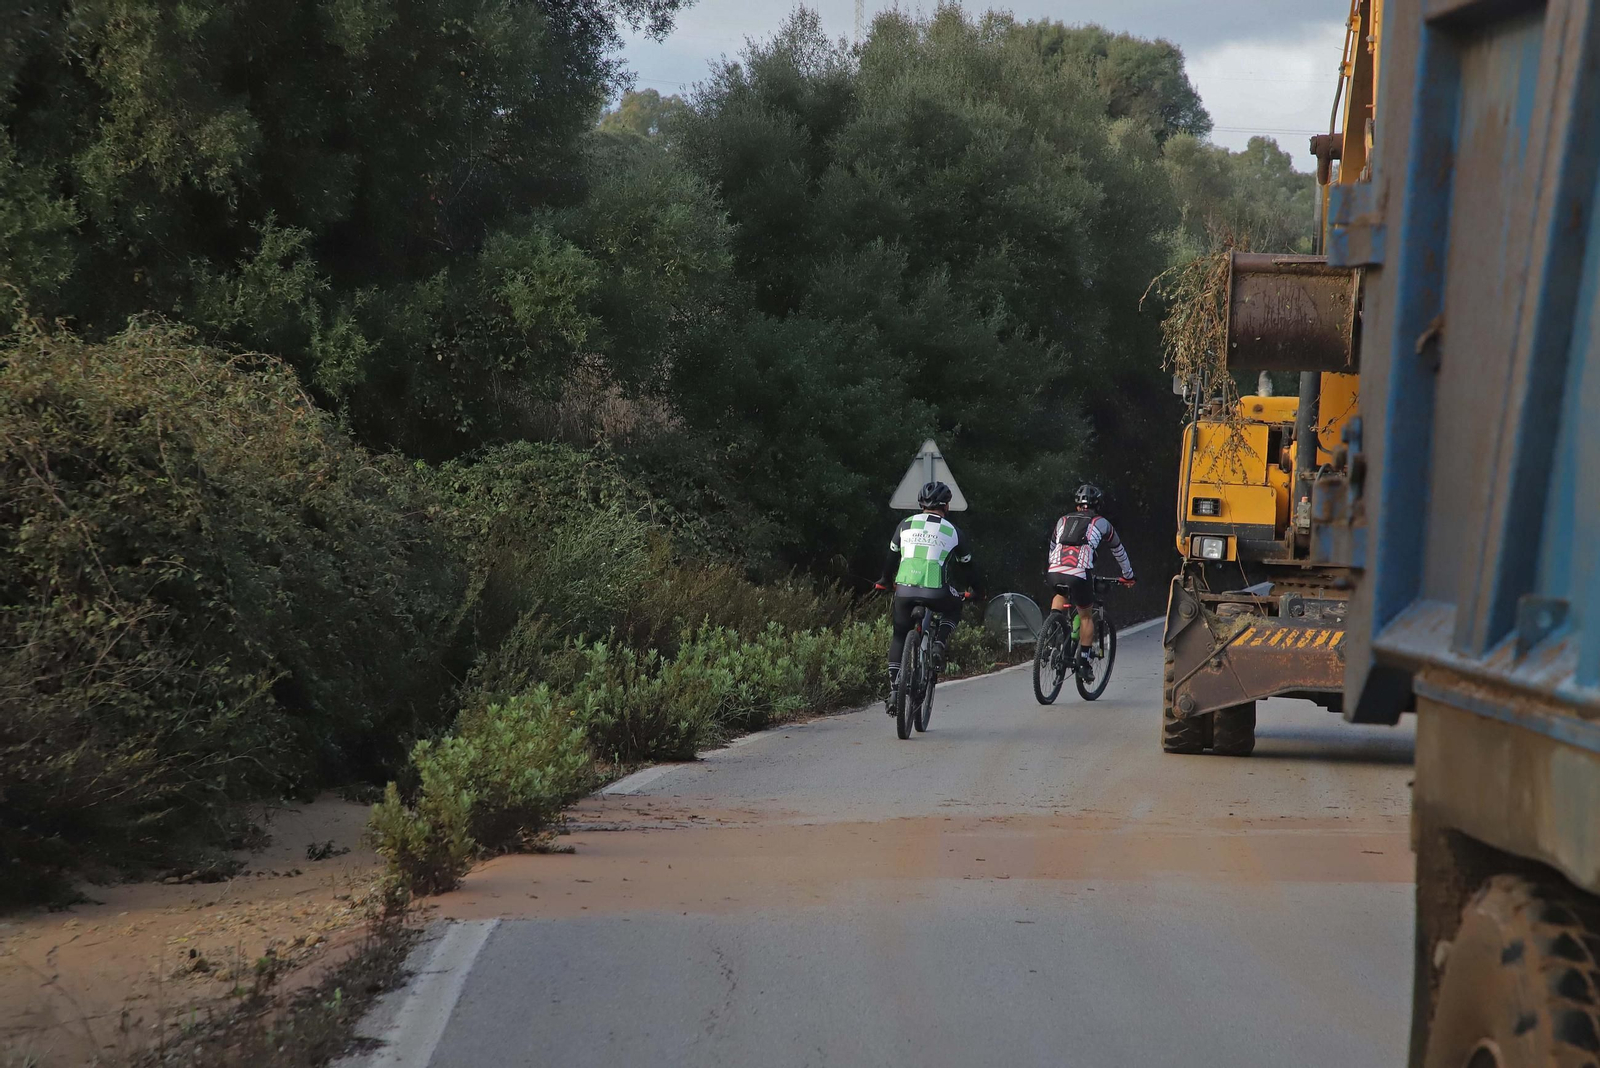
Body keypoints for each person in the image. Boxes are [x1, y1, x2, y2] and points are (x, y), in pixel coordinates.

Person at [874, 481, 981, 712]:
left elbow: (891, 558)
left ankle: (894, 691)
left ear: (921, 504)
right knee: (955, 606)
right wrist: (976, 591)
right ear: (946, 506)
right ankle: (939, 643)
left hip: (904, 590)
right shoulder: (953, 531)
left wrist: (884, 580)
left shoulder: (905, 524)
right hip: (937, 591)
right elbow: (968, 567)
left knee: (899, 635)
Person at [1045, 483, 1135, 677]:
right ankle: (1084, 664)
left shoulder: (1062, 520)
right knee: (1086, 616)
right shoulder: (1102, 523)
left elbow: (1052, 547)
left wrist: (1054, 567)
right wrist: (1128, 575)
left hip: (1054, 570)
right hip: (1079, 573)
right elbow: (1118, 550)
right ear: (1098, 505)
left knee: (1060, 595)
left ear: (1077, 506)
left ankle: (1050, 638)